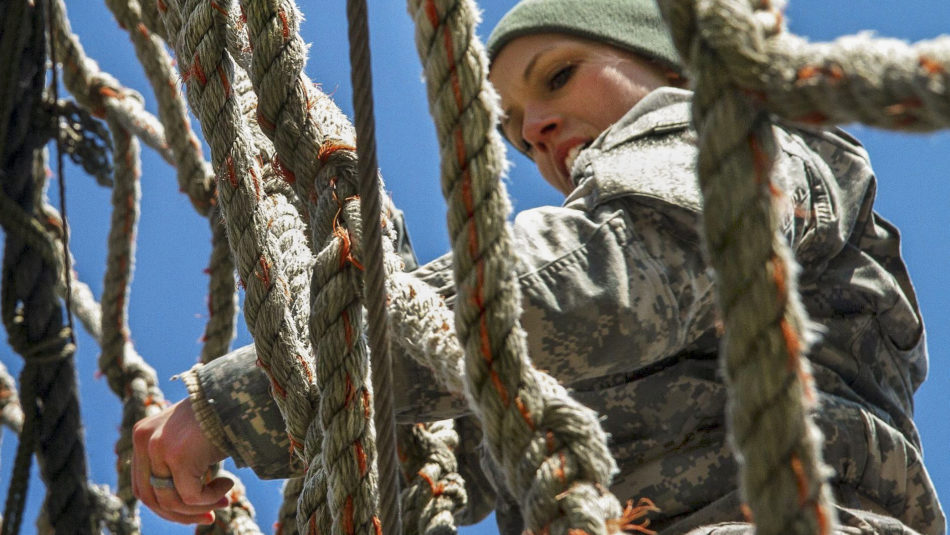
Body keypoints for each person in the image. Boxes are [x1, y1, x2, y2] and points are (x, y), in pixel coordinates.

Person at [131, 0, 946, 532]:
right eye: (518, 132)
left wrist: (243, 401)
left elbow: (601, 281)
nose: (541, 128)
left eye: (558, 76)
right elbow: (471, 441)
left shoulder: (734, 147)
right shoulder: (572, 357)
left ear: (677, 66)